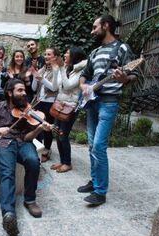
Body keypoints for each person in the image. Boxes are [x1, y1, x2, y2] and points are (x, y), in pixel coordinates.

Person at [0, 79, 51, 236]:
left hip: (23, 142)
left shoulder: (28, 110)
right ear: (9, 93)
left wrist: (39, 129)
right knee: (7, 173)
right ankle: (8, 214)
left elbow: (28, 138)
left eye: (24, 90)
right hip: (4, 144)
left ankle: (29, 200)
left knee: (33, 161)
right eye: (20, 90)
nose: (24, 93)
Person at [77, 15, 137, 205]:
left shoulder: (122, 48)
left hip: (109, 102)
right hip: (92, 102)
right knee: (91, 145)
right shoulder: (94, 52)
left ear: (106, 25)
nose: (92, 31)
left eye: (95, 27)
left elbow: (133, 74)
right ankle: (95, 181)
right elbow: (84, 76)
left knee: (99, 146)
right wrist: (84, 88)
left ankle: (100, 192)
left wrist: (124, 79)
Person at [50, 47, 87, 173]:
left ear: (74, 56)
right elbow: (58, 86)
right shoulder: (67, 68)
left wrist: (60, 68)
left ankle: (67, 163)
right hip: (60, 104)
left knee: (63, 135)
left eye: (67, 53)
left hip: (71, 107)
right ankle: (62, 161)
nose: (65, 54)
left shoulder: (81, 71)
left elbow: (68, 85)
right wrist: (58, 69)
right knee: (57, 132)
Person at [31, 47, 62, 162]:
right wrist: (35, 77)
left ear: (55, 57)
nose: (46, 57)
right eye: (45, 54)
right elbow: (34, 88)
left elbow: (55, 87)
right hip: (39, 101)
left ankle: (47, 150)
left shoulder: (58, 70)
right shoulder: (42, 69)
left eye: (49, 54)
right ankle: (39, 148)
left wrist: (41, 79)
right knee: (37, 126)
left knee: (47, 128)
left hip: (51, 102)